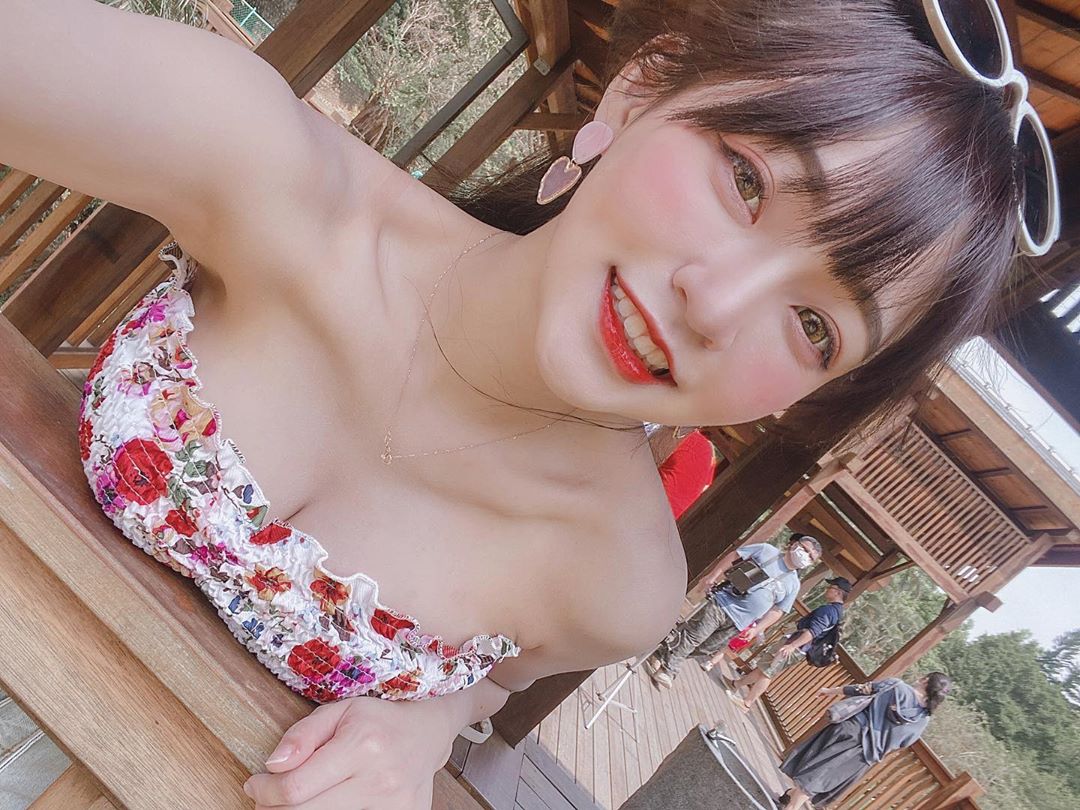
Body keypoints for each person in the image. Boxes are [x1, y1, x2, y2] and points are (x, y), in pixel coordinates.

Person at [2, 0, 1055, 806]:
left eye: (816, 326)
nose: (715, 304)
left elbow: (492, 684)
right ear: (635, 96)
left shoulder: (615, 582)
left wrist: (426, 722)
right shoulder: (273, 177)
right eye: (746, 180)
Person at [645, 535, 822, 687]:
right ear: (794, 544)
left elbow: (778, 610)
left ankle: (662, 654)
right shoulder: (767, 551)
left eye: (810, 556)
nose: (805, 555)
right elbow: (736, 555)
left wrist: (757, 629)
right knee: (695, 636)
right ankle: (669, 670)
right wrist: (713, 576)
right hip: (723, 602)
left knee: (707, 648)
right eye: (805, 549)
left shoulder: (794, 584)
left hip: (741, 622)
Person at [778, 673, 952, 809]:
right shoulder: (923, 720)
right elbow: (903, 743)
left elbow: (861, 689)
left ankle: (792, 804)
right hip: (867, 755)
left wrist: (829, 691)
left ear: (925, 681)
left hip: (850, 731)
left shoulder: (896, 686)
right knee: (822, 776)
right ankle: (791, 796)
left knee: (814, 775)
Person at [717, 576, 852, 711]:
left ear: (838, 592)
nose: (827, 589)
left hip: (795, 646)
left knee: (768, 673)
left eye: (831, 587)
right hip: (798, 646)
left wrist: (792, 646)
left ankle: (747, 703)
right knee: (764, 668)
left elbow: (813, 631)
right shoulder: (837, 612)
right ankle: (736, 684)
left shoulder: (828, 611)